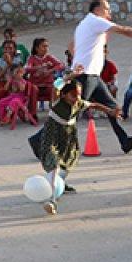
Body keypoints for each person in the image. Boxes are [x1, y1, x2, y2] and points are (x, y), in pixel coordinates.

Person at [68, 0, 132, 154]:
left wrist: (79, 60)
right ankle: (42, 140)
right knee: (72, 111)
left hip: (93, 76)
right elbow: (125, 30)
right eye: (107, 9)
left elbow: (71, 46)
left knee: (112, 108)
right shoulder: (96, 21)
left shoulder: (85, 23)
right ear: (97, 9)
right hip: (85, 76)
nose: (109, 12)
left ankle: (124, 141)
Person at [30, 79, 120, 215]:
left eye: (78, 95)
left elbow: (94, 105)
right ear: (64, 95)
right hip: (52, 138)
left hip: (68, 138)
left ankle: (61, 183)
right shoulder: (57, 103)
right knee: (54, 165)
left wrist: (110, 111)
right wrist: (67, 77)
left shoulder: (79, 103)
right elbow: (55, 88)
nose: (76, 98)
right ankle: (51, 200)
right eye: (73, 95)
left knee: (69, 161)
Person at [26, 38, 64, 108]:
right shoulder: (32, 58)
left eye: (47, 46)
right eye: (44, 46)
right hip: (36, 85)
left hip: (48, 84)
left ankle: (52, 110)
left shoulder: (49, 57)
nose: (46, 48)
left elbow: (61, 65)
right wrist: (40, 67)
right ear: (37, 48)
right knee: (33, 89)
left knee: (54, 89)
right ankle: (32, 112)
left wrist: (50, 70)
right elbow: (27, 69)